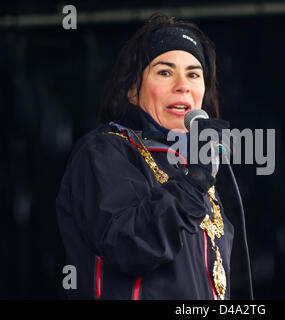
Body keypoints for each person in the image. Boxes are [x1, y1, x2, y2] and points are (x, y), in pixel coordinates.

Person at [56, 13, 234, 300]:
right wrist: (194, 183)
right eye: (165, 72)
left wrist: (197, 178)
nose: (183, 85)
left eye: (193, 74)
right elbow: (129, 246)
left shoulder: (194, 169)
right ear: (132, 90)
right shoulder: (104, 152)